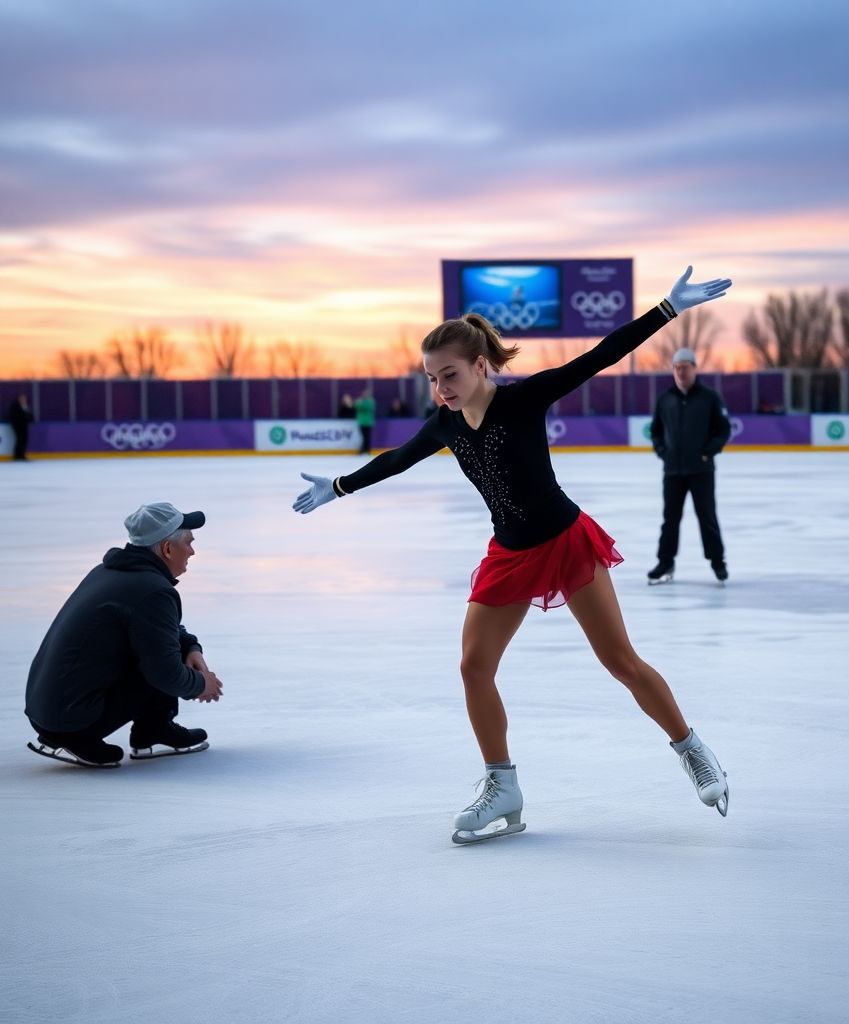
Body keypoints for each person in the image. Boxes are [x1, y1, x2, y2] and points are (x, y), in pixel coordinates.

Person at [293, 265, 733, 844]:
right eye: (430, 378)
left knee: (619, 660)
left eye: (448, 373)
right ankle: (502, 786)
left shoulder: (524, 399)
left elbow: (597, 357)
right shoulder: (445, 424)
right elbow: (397, 458)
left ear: (480, 365)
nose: (440, 388)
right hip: (510, 552)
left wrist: (665, 311)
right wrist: (341, 486)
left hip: (565, 542)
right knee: (474, 667)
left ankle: (693, 750)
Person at [24, 502, 223, 768]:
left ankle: (153, 731)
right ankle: (89, 737)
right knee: (159, 661)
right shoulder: (152, 590)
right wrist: (201, 684)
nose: (192, 551)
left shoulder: (112, 572)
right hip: (69, 722)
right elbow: (165, 674)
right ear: (166, 548)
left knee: (157, 647)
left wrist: (191, 647)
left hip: (49, 710)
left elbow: (162, 630)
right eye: (188, 542)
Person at [648, 348, 732, 585]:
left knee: (707, 516)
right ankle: (666, 561)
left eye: (685, 367)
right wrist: (663, 452)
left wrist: (707, 452)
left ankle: (718, 561)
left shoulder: (709, 398)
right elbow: (655, 431)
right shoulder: (665, 399)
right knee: (670, 519)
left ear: (694, 368)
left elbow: (723, 429)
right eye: (677, 367)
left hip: (701, 471)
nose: (681, 372)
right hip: (673, 471)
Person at [7, 392, 34, 461]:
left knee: (24, 440)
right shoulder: (15, 406)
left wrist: (30, 420)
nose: (23, 400)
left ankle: (22, 455)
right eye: (22, 398)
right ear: (19, 398)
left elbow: (30, 416)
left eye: (24, 398)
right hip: (17, 426)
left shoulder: (25, 406)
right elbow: (13, 416)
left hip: (24, 426)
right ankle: (17, 456)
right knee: (20, 440)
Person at [354, 387, 376, 454]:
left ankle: (366, 450)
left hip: (368, 422)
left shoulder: (369, 402)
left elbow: (366, 407)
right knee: (364, 437)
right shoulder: (366, 401)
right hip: (362, 422)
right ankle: (364, 450)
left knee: (367, 437)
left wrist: (360, 403)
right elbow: (356, 407)